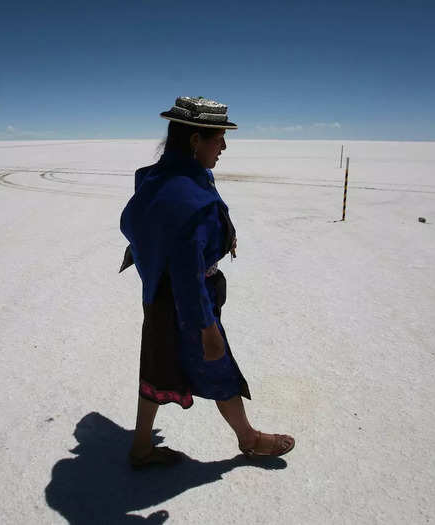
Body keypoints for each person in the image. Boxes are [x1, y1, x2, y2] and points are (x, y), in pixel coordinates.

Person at [119, 97, 295, 468]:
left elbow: (133, 225)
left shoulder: (155, 178)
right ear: (196, 140)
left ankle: (140, 446)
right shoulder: (189, 199)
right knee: (218, 365)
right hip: (187, 301)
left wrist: (153, 259)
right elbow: (186, 269)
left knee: (157, 363)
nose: (224, 147)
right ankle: (249, 439)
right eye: (219, 139)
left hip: (158, 294)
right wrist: (206, 326)